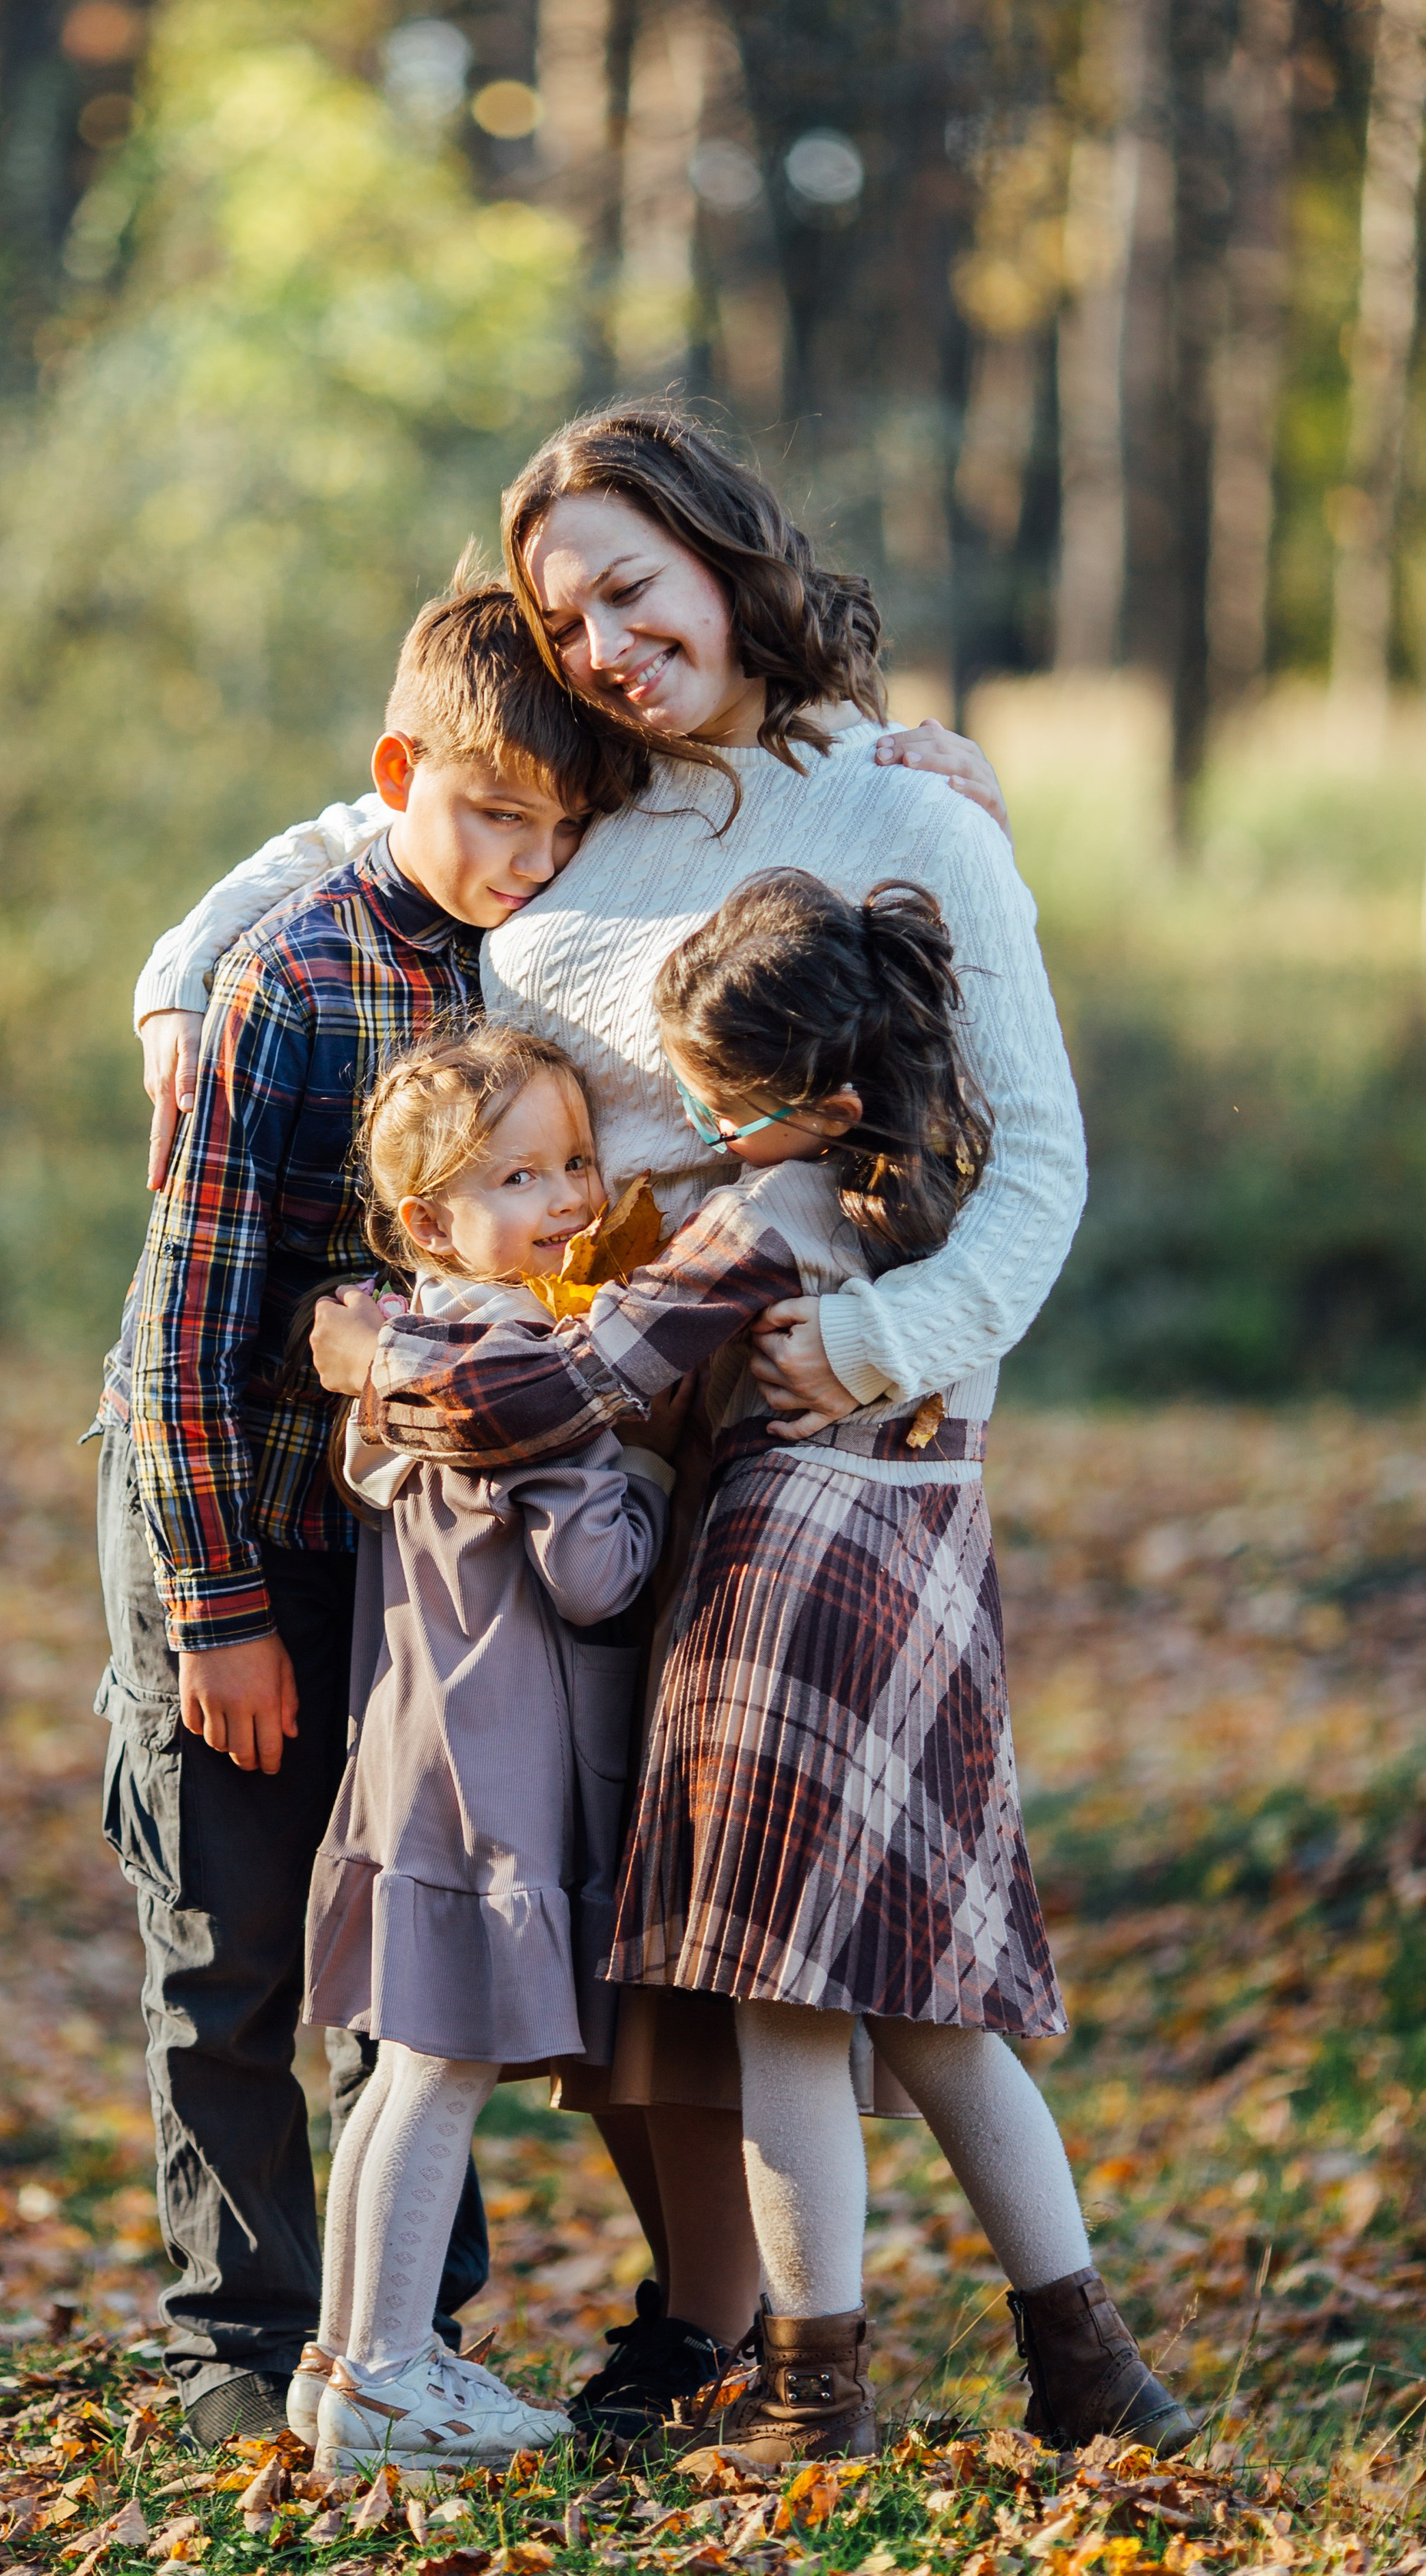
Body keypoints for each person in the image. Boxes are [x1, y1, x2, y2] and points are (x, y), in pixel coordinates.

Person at [125, 399, 1085, 2442]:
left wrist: (885, 1340)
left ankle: (765, 2333)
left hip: (789, 1455)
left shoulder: (903, 805)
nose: (609, 650)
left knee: (750, 1936)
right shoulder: (587, 791)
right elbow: (357, 825)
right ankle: (690, 2325)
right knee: (628, 1929)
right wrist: (177, 983)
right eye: (566, 622)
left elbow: (1035, 1165)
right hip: (561, 1442)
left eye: (635, 596)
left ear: (728, 558)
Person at [325, 870, 1196, 2465]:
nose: (699, 1138)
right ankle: (1092, 2363)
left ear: (810, 1103)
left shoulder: (758, 1219)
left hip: (783, 1595)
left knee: (780, 2004)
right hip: (933, 1590)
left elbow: (561, 1393)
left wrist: (380, 1357)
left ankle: (813, 2391)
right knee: (929, 2008)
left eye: (717, 1103)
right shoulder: (943, 1195)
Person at [94, 577, 645, 2442]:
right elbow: (180, 1330)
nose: (522, 859)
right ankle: (241, 2351)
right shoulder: (287, 979)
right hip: (243, 1514)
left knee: (401, 1939)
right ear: (399, 777)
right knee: (234, 1942)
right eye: (491, 815)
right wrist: (217, 1610)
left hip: (421, 1549)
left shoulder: (529, 964)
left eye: (555, 829)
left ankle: (404, 2333)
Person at [295, 1025, 686, 2467]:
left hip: (416, 1746)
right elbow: (595, 1575)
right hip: (496, 1762)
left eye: (576, 1161)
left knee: (407, 2068)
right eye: (520, 1178)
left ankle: (343, 2365)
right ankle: (395, 2373)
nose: (571, 1197)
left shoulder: (410, 1345)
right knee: (443, 2070)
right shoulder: (528, 1361)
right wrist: (649, 1470)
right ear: (430, 1220)